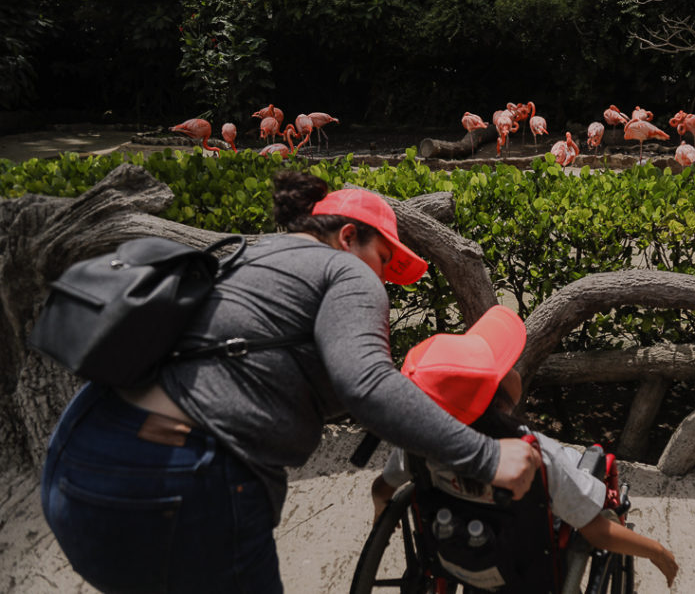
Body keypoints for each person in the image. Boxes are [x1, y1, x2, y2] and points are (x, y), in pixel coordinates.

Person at [40, 171, 541, 594]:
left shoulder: (243, 254)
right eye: (385, 259)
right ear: (348, 236)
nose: (384, 279)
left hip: (77, 465)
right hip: (175, 483)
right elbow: (364, 383)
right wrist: (486, 456)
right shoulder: (347, 272)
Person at [371, 304, 679, 588]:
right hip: (524, 569)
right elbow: (596, 531)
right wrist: (657, 552)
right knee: (596, 461)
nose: (513, 370)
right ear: (496, 399)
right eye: (504, 369)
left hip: (452, 555)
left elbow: (381, 490)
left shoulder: (416, 445)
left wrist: (380, 512)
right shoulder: (532, 455)